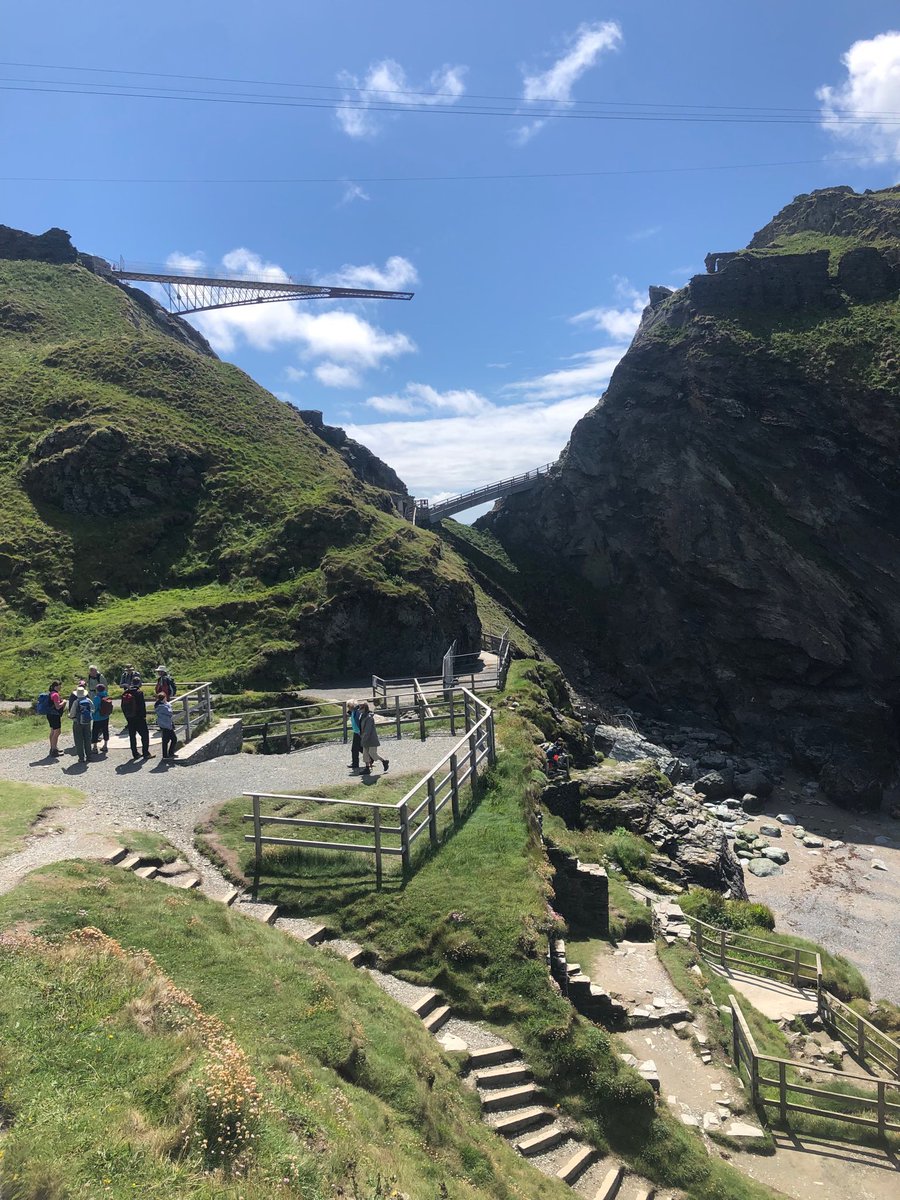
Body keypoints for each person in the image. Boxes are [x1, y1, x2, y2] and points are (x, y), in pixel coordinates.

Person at [121, 675, 153, 760]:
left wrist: (127, 717)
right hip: (139, 718)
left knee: (132, 736)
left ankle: (135, 754)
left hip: (130, 718)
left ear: (132, 683)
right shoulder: (139, 693)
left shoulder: (125, 692)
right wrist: (143, 716)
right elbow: (142, 706)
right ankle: (146, 753)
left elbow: (123, 706)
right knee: (144, 735)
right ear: (139, 683)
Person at [359, 703, 389, 775]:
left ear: (364, 708)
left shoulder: (369, 718)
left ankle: (384, 761)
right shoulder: (362, 716)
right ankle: (367, 768)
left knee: (372, 753)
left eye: (361, 708)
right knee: (365, 754)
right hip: (364, 738)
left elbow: (368, 730)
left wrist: (364, 738)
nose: (359, 710)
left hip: (371, 739)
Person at [68, 684, 94, 764]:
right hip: (87, 722)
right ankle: (89, 756)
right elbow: (93, 709)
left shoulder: (76, 702)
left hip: (77, 722)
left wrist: (70, 716)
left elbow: (72, 714)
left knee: (79, 740)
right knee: (87, 739)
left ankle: (81, 758)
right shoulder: (88, 700)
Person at [154, 695, 179, 759]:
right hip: (166, 724)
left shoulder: (158, 706)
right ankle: (169, 754)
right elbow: (170, 713)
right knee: (173, 739)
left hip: (163, 724)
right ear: (164, 698)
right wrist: (168, 705)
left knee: (166, 740)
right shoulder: (163, 707)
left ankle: (166, 754)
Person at [44, 679, 64, 756]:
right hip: (55, 715)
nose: (61, 687)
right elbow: (58, 707)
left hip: (50, 714)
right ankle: (54, 750)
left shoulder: (51, 693)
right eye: (59, 686)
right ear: (56, 686)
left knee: (53, 731)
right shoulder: (55, 695)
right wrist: (64, 702)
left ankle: (53, 747)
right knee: (57, 732)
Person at [91, 683, 112, 753]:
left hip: (97, 718)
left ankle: (95, 747)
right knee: (105, 730)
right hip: (106, 716)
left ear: (97, 690)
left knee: (95, 732)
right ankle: (105, 745)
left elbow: (94, 708)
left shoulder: (96, 698)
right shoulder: (106, 695)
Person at [347, 699, 362, 771]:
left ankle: (355, 764)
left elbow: (358, 722)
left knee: (355, 749)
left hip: (358, 732)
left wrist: (360, 732)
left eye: (348, 706)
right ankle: (371, 757)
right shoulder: (354, 711)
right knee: (359, 748)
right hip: (356, 731)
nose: (348, 708)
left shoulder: (357, 712)